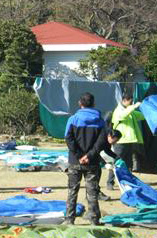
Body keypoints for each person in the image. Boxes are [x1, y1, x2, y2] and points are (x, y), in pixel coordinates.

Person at [63, 92, 107, 226]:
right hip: (92, 162)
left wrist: (79, 156)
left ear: (80, 103)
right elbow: (101, 142)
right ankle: (94, 220)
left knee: (72, 191)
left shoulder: (73, 119)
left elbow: (68, 138)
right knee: (92, 192)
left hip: (75, 162)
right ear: (93, 104)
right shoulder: (100, 121)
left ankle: (69, 220)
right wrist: (89, 156)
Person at [106, 94, 144, 191]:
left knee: (128, 164)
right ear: (125, 100)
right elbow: (123, 115)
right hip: (120, 142)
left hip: (130, 141)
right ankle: (110, 182)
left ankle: (127, 182)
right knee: (116, 163)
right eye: (130, 102)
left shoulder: (130, 111)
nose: (131, 104)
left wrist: (146, 109)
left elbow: (141, 116)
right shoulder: (118, 110)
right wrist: (133, 107)